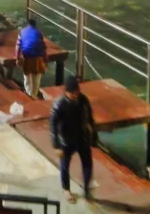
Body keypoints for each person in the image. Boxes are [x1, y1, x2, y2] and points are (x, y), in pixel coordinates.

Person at [49, 76, 95, 204]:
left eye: (77, 92)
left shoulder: (83, 100)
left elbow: (90, 118)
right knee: (65, 166)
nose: (75, 94)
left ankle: (86, 189)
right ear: (66, 92)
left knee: (88, 164)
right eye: (72, 92)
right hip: (66, 139)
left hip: (82, 137)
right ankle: (66, 189)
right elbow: (53, 125)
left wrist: (93, 134)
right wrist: (56, 145)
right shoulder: (59, 104)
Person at [16, 19, 47, 99]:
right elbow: (44, 48)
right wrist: (46, 60)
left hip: (27, 57)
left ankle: (29, 94)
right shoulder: (39, 33)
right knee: (36, 79)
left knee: (27, 77)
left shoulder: (22, 32)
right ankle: (34, 95)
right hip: (37, 58)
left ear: (27, 25)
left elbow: (18, 46)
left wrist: (17, 58)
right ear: (35, 26)